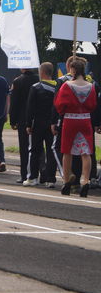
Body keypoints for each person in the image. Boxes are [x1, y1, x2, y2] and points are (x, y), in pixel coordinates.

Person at [54, 58, 97, 197]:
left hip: (70, 119)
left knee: (67, 151)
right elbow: (93, 104)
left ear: (73, 70)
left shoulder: (67, 85)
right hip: (85, 119)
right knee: (86, 152)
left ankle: (66, 182)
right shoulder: (90, 86)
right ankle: (86, 180)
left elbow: (60, 104)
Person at [24, 62, 57, 187]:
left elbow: (30, 108)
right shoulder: (58, 87)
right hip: (52, 124)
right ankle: (51, 179)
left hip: (37, 124)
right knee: (51, 151)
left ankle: (32, 177)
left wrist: (28, 123)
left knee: (34, 151)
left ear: (41, 72)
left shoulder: (36, 87)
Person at [9, 67, 39, 183]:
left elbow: (14, 103)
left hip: (23, 118)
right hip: (38, 117)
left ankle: (24, 174)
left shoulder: (18, 81)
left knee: (24, 148)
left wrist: (12, 120)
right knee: (38, 148)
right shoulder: (39, 79)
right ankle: (38, 174)